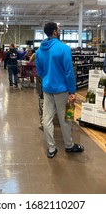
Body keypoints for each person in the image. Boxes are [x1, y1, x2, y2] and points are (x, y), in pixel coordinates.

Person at [35, 22, 84, 158]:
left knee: (47, 119)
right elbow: (69, 72)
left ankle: (51, 148)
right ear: (55, 32)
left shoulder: (39, 51)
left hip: (47, 88)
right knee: (65, 118)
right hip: (62, 89)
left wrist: (48, 78)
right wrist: (72, 91)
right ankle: (69, 145)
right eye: (59, 30)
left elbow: (39, 71)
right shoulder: (63, 48)